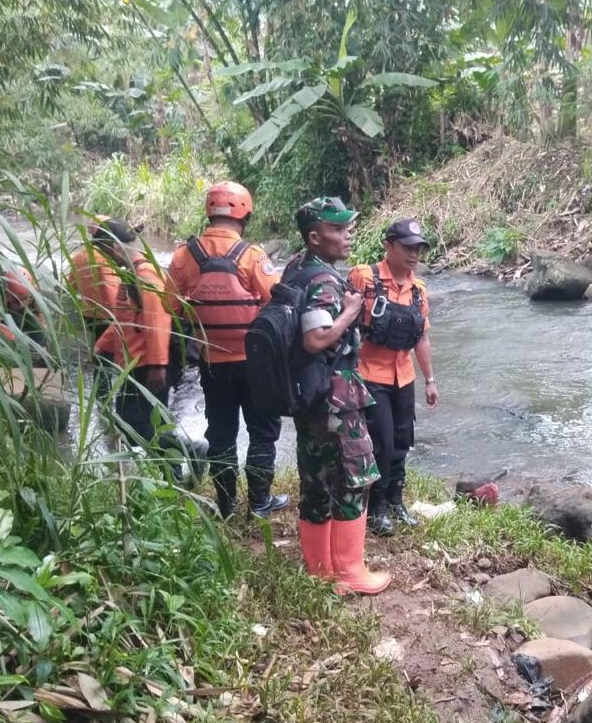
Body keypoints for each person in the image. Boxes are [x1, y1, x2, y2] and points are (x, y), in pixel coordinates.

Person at [285, 196, 389, 595]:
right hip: (335, 396)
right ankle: (350, 573)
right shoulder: (325, 281)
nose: (347, 235)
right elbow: (315, 338)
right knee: (353, 477)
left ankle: (320, 571)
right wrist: (350, 311)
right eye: (337, 229)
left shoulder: (296, 268)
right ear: (315, 237)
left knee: (316, 478)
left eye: (348, 228)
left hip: (307, 393)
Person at [167, 182, 287, 520]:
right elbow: (277, 301)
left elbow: (168, 305)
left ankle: (226, 504)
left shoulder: (184, 256)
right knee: (262, 431)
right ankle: (260, 503)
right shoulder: (252, 256)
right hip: (254, 362)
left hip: (212, 362)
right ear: (245, 214)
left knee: (221, 433)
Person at [347, 219, 439, 536]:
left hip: (403, 376)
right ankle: (376, 507)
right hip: (369, 374)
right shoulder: (364, 277)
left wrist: (430, 380)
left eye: (418, 248)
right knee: (381, 443)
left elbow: (422, 338)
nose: (414, 254)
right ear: (388, 245)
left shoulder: (418, 290)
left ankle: (395, 501)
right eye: (407, 247)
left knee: (401, 441)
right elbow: (341, 320)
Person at [92, 222, 174, 451]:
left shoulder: (146, 275)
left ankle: (186, 450)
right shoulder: (131, 275)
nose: (107, 260)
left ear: (114, 247)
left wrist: (158, 365)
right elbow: (125, 319)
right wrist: (101, 346)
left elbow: (158, 320)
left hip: (147, 366)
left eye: (105, 252)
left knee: (143, 425)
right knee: (134, 424)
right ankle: (171, 462)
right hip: (133, 364)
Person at [66, 215, 121, 347]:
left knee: (98, 344)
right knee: (110, 349)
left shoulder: (79, 256)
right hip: (109, 315)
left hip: (88, 314)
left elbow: (71, 287)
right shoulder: (103, 259)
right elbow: (112, 294)